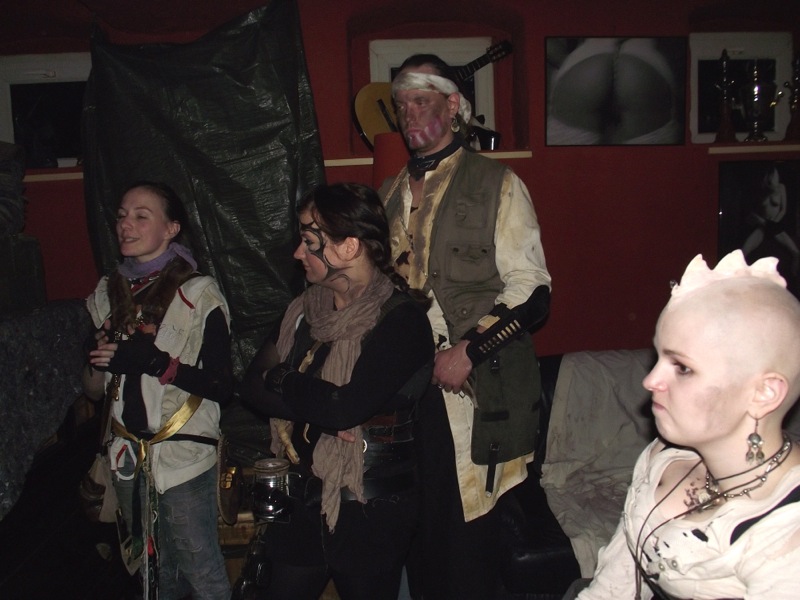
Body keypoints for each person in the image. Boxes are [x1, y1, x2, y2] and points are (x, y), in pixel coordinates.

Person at [381, 54, 552, 599]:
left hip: (473, 388)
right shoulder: (388, 193)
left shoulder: (497, 183)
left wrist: (469, 350)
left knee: (467, 538)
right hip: (405, 389)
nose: (409, 113)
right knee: (418, 532)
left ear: (453, 105)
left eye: (421, 100)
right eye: (402, 104)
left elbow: (534, 292)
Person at [567, 250, 800, 600]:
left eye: (683, 368)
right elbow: (614, 586)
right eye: (659, 356)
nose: (650, 381)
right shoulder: (666, 454)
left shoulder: (785, 538)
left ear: (763, 393)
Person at [240, 182, 434, 600]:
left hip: (369, 506)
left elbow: (344, 407)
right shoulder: (305, 310)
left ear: (349, 248)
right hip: (302, 492)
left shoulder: (402, 322)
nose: (298, 253)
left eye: (310, 242)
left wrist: (283, 379)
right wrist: (319, 409)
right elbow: (251, 385)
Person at [82, 181, 233, 600]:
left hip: (181, 456)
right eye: (121, 216)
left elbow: (222, 386)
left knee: (202, 574)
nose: (125, 225)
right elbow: (93, 391)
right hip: (127, 455)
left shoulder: (198, 293)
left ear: (171, 228)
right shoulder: (107, 293)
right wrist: (99, 360)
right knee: (155, 575)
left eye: (141, 216)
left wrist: (155, 362)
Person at [546, 38, 683, 145]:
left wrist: (568, 62)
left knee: (571, 165)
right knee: (645, 166)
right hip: (643, 55)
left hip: (590, 55)